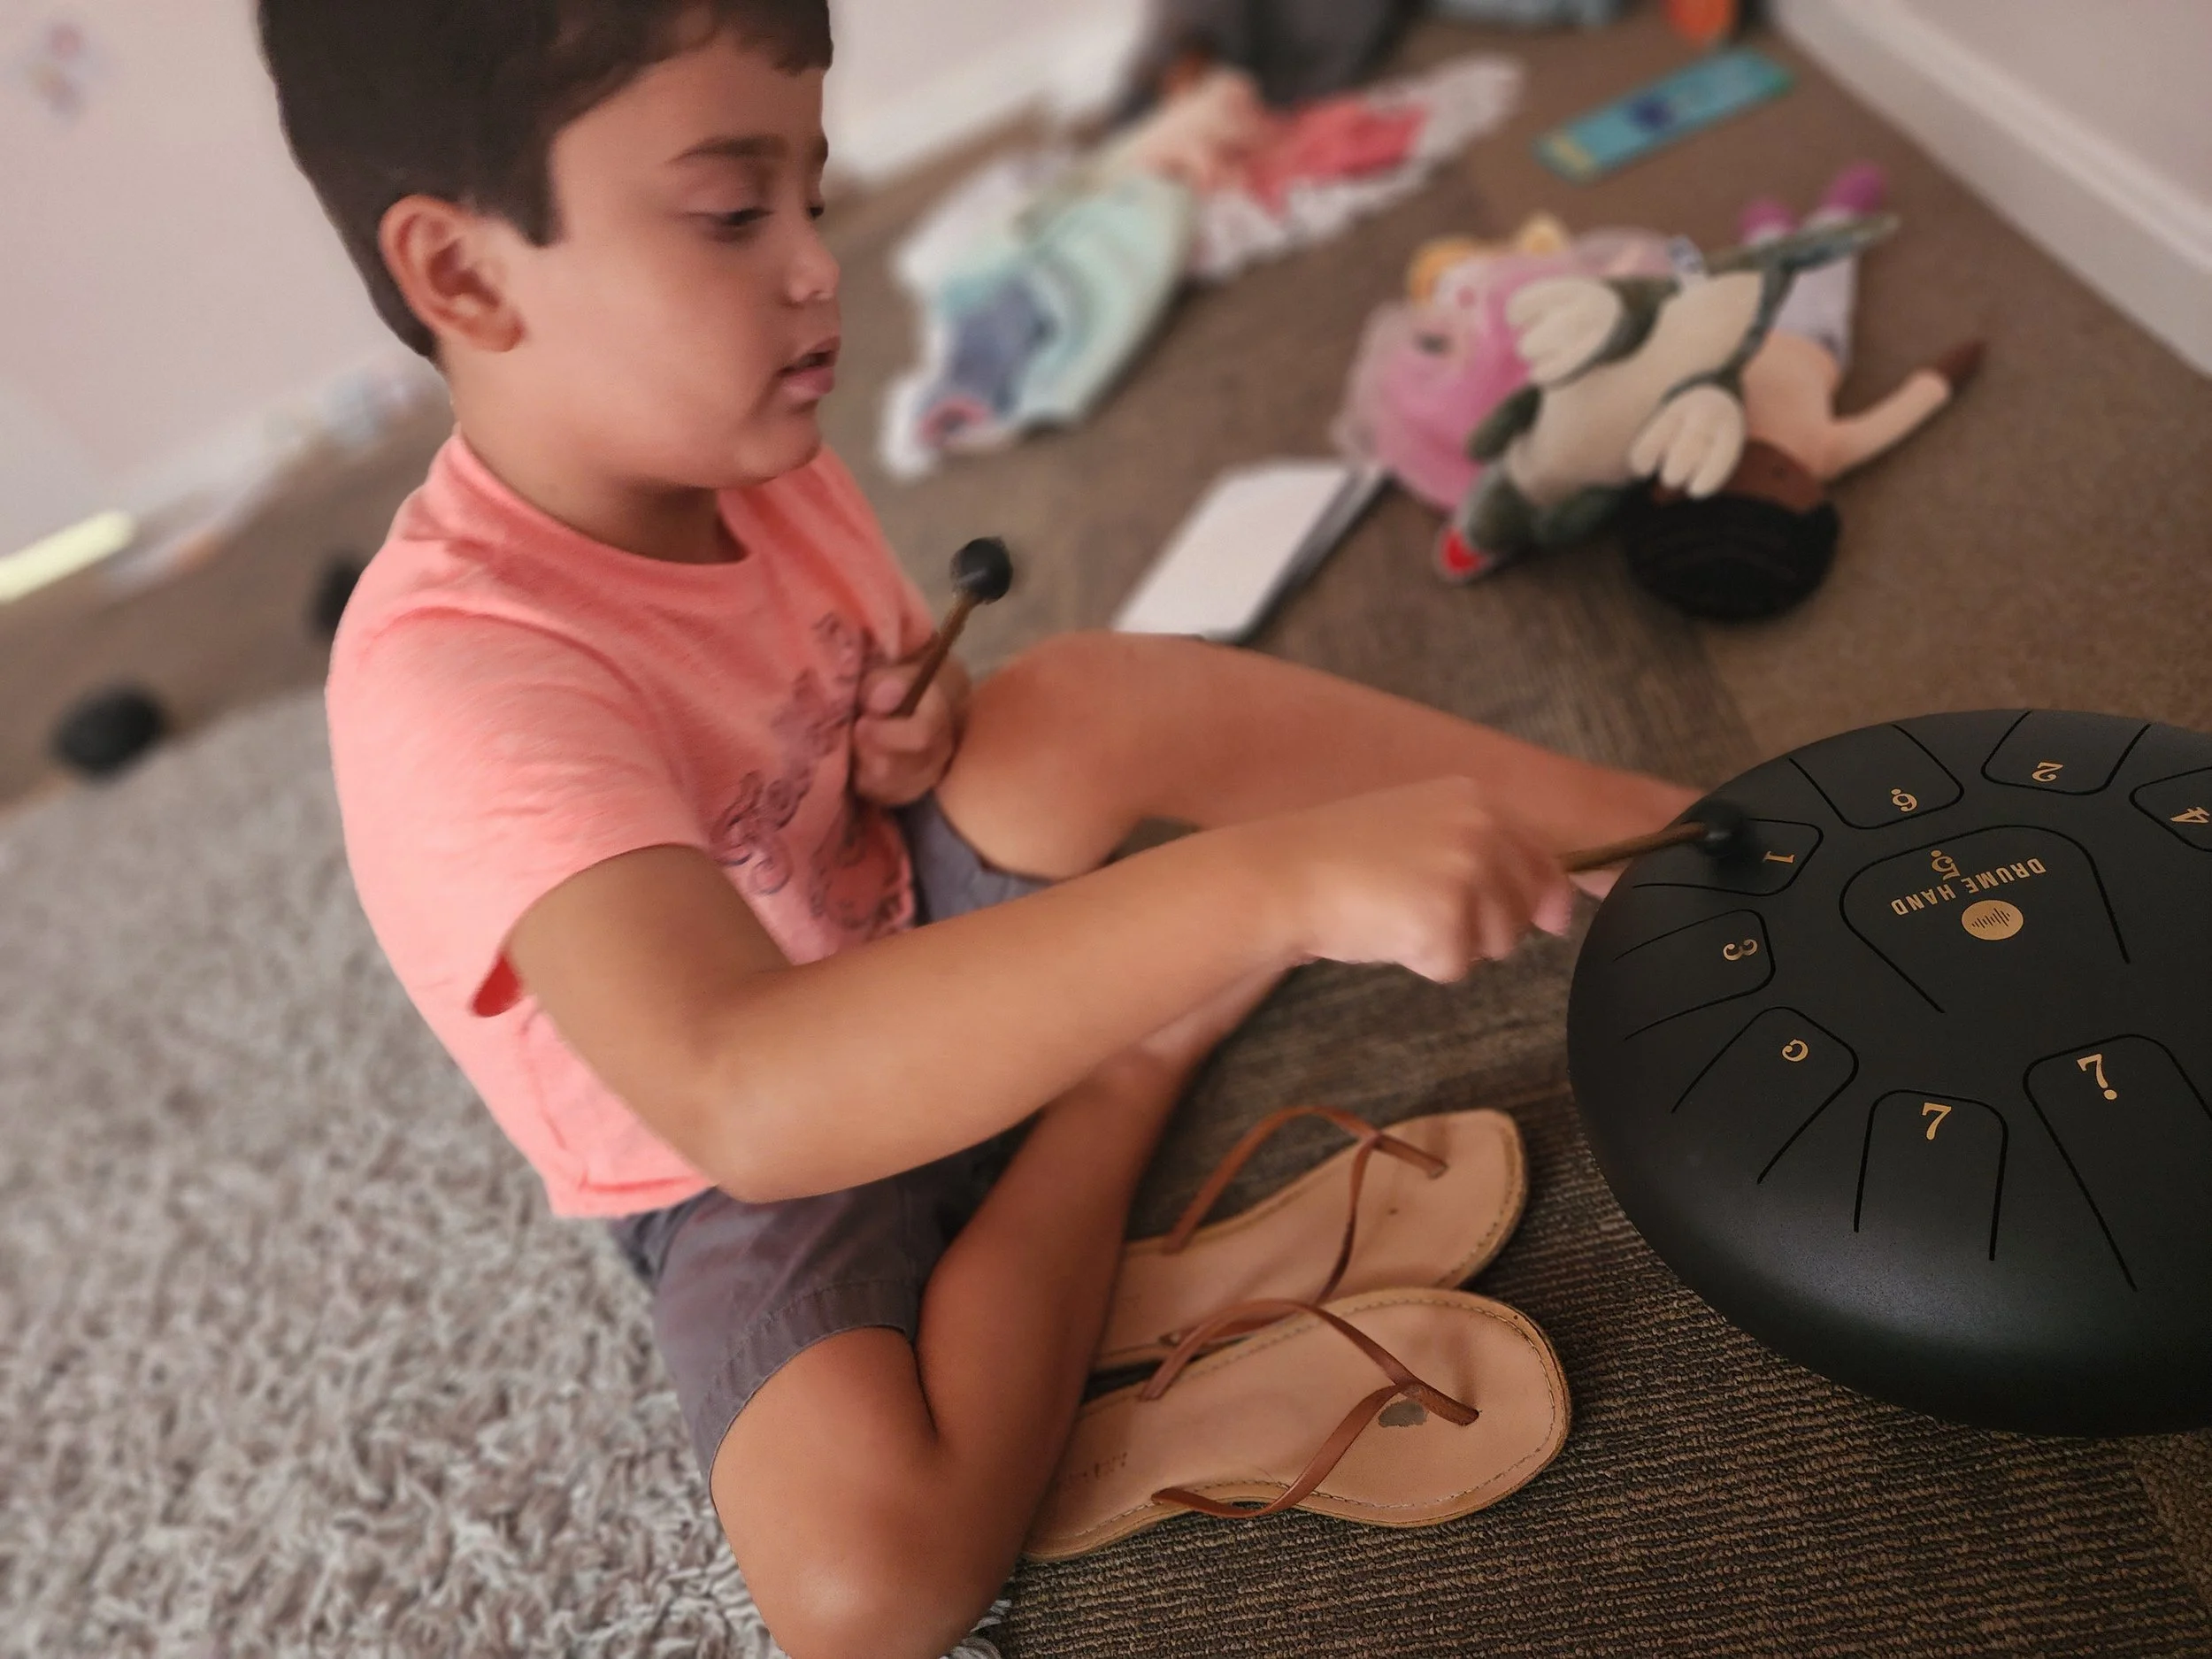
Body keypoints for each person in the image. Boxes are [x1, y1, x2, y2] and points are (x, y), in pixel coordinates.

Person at [262, 4, 1693, 1654]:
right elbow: (743, 1087)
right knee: (865, 1586)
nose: (817, 268)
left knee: (1073, 703)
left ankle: (1656, 828)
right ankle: (1126, 1074)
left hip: (920, 924)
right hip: (750, 1158)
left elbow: (854, 716)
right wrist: (1270, 885)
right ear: (462, 273)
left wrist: (908, 729)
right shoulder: (454, 677)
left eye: (815, 189)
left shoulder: (739, 440)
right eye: (735, 214)